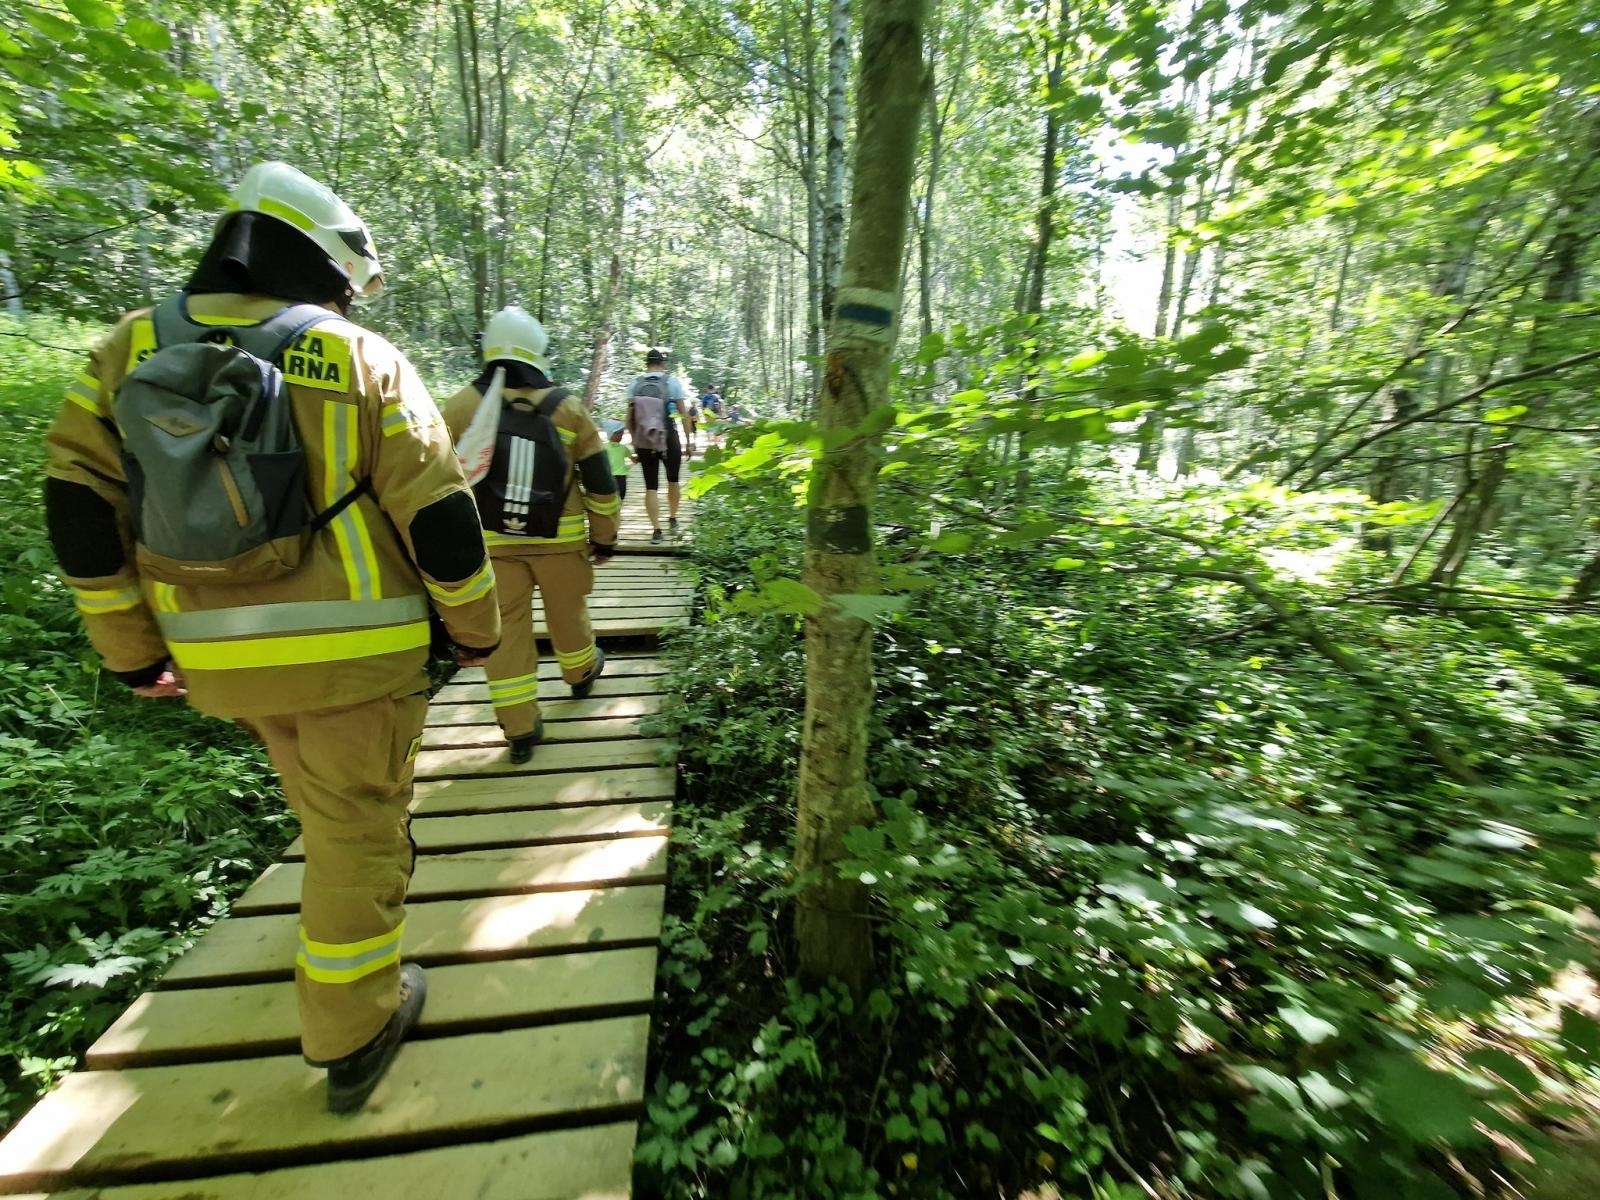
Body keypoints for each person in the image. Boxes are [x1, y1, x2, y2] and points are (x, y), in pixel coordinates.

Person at [43, 161, 501, 1113]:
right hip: (357, 658)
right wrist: (478, 632)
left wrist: (130, 651)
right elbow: (441, 518)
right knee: (356, 833)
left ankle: (336, 953)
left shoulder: (121, 351)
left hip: (218, 659)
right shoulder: (355, 358)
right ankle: (355, 1028)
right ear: (324, 263)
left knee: (325, 809)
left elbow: (80, 510)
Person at [444, 307, 619, 763]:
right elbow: (600, 481)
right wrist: (605, 537)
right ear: (539, 353)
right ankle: (580, 672)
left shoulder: (461, 406)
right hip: (560, 543)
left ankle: (520, 728)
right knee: (568, 612)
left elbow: (440, 482)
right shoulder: (568, 408)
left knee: (505, 632)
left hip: (494, 547)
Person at [625, 348, 688, 544]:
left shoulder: (635, 384)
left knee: (650, 486)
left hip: (644, 438)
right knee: (673, 480)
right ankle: (673, 518)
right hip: (668, 436)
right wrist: (689, 441)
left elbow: (629, 419)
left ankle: (656, 530)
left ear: (646, 364)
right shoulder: (672, 382)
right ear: (662, 364)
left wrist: (636, 441)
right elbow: (684, 415)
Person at [606, 424, 634, 501]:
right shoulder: (605, 448)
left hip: (618, 476)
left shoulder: (623, 448)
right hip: (612, 476)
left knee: (620, 496)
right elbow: (633, 459)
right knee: (617, 496)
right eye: (618, 433)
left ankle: (617, 511)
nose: (621, 435)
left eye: (622, 433)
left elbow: (632, 458)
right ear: (611, 434)